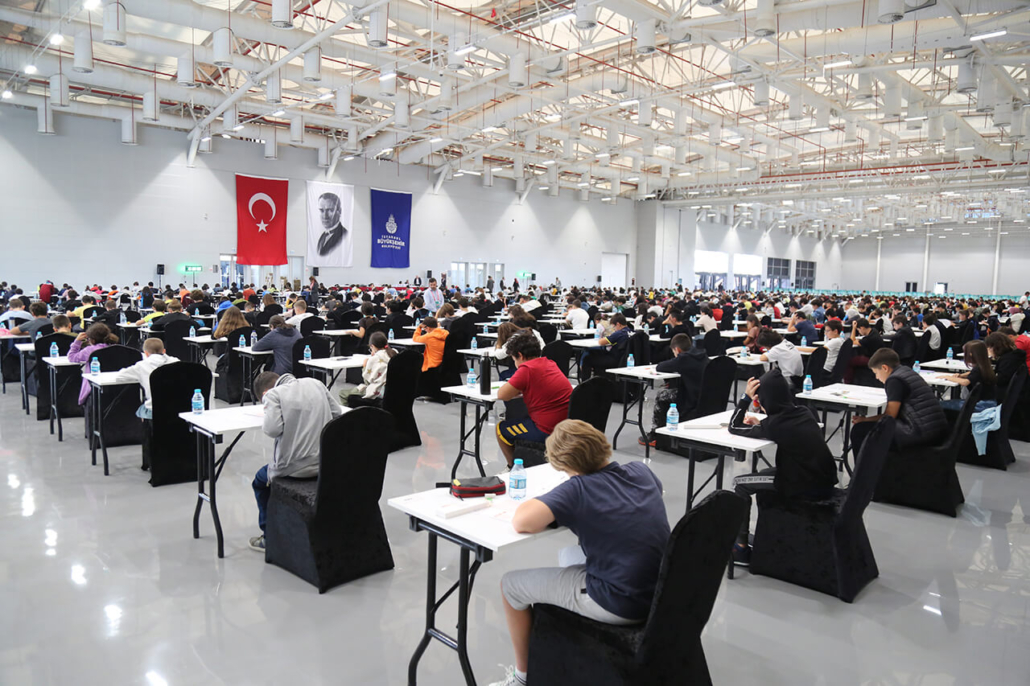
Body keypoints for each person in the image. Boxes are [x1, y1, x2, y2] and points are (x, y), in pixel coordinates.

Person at [488, 419, 669, 686]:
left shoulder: (576, 490)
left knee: (510, 586)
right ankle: (573, 642)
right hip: (661, 593)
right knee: (569, 555)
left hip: (621, 602)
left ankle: (522, 678)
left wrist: (560, 496)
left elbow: (522, 522)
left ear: (564, 465)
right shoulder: (640, 471)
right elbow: (652, 495)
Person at [728, 369, 838, 565]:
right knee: (762, 474)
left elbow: (734, 427)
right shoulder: (803, 412)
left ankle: (741, 548)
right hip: (823, 478)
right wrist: (759, 424)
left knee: (740, 483)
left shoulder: (775, 424)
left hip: (803, 484)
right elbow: (781, 427)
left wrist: (745, 398)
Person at [248, 370, 344, 551]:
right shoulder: (315, 383)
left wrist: (270, 408)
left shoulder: (273, 395)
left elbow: (272, 430)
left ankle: (269, 537)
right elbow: (336, 413)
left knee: (260, 482)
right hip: (324, 463)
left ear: (264, 393)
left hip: (294, 468)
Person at [850, 348, 948, 455]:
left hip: (919, 432)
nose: (876, 377)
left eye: (876, 373)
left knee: (860, 430)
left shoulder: (894, 380)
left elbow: (889, 416)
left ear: (885, 368)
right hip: (936, 429)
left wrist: (865, 419)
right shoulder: (906, 371)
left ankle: (865, 466)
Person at [495, 333, 573, 467]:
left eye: (514, 359)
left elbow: (502, 395)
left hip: (546, 428)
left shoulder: (526, 369)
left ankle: (512, 467)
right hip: (566, 423)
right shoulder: (549, 363)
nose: (515, 364)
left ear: (520, 355)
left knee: (500, 429)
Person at [642, 333, 708, 447]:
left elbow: (660, 367)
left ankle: (656, 434)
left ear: (677, 350)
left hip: (689, 396)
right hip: (704, 395)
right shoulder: (703, 355)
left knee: (662, 395)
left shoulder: (683, 359)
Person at [115, 338, 180, 419]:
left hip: (153, 410)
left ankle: (145, 425)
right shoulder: (177, 361)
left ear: (145, 353)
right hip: (177, 408)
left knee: (139, 410)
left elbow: (120, 376)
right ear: (164, 351)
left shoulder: (141, 366)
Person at [68, 323, 120, 405]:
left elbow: (72, 357)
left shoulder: (90, 350)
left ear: (92, 340)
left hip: (93, 388)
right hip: (115, 386)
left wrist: (77, 341)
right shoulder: (116, 348)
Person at [939, 340, 997, 413]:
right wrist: (961, 375)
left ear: (971, 355)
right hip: (989, 402)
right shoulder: (985, 366)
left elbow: (965, 382)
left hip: (980, 405)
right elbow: (972, 374)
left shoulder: (977, 369)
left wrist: (948, 377)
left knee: (939, 404)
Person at [341, 331, 397, 407]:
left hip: (377, 391)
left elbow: (367, 381)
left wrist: (364, 366)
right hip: (393, 391)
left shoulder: (374, 359)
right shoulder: (394, 353)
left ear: (372, 346)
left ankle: (350, 413)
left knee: (342, 393)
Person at [579, 313, 631, 380]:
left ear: (618, 324)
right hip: (625, 359)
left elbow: (601, 342)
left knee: (587, 358)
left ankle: (585, 382)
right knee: (596, 354)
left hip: (614, 360)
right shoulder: (632, 332)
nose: (614, 329)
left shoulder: (619, 333)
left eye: (614, 327)